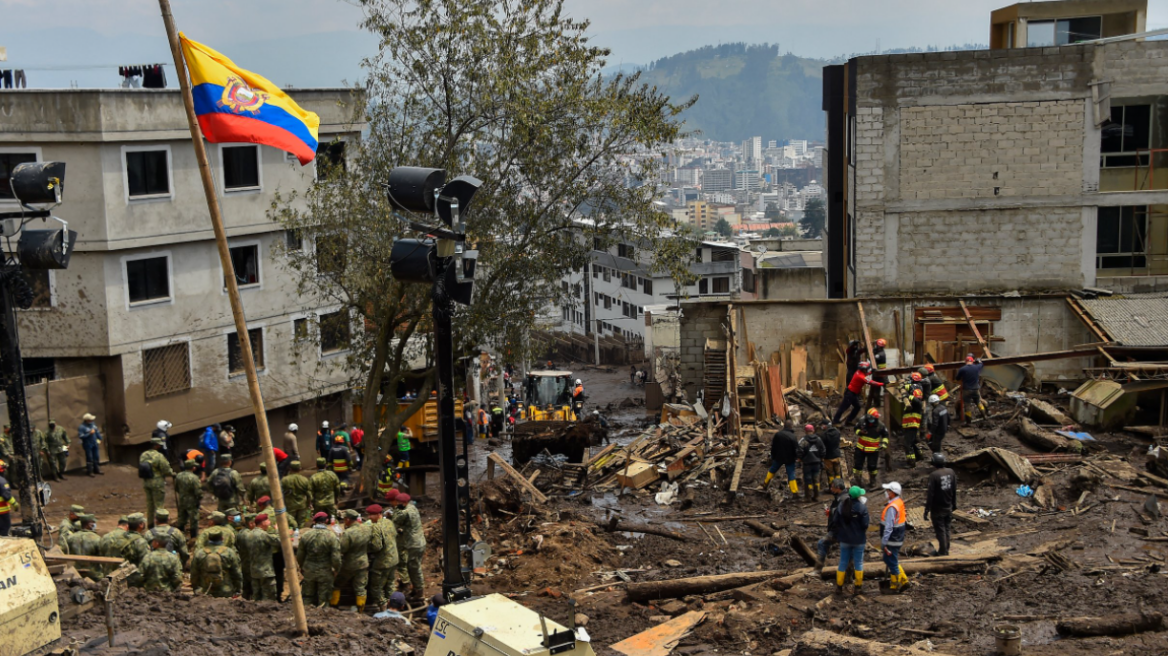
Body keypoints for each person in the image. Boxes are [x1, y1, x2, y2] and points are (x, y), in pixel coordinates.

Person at [297, 511, 341, 607]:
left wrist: (301, 567)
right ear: (327, 521)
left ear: (314, 521)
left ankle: (305, 617)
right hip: (325, 571)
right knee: (324, 599)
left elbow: (300, 555)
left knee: (307, 597)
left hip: (308, 570)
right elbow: (336, 557)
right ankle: (322, 619)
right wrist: (336, 569)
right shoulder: (332, 536)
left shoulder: (306, 536)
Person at [332, 508, 372, 611]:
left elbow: (342, 549)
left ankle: (333, 608)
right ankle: (360, 611)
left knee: (337, 584)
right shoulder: (367, 529)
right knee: (360, 588)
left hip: (349, 564)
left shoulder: (348, 533)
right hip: (363, 563)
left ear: (348, 520)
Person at [835, 485, 869, 595]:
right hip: (859, 540)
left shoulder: (841, 506)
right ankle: (858, 587)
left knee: (842, 562)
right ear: (859, 496)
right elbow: (865, 525)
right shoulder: (862, 508)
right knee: (858, 563)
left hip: (844, 540)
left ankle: (839, 587)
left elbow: (836, 522)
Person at [367, 504, 400, 612]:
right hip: (394, 558)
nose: (369, 517)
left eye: (371, 515)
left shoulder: (376, 527)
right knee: (390, 584)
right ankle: (394, 606)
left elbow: (377, 546)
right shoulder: (389, 522)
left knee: (376, 587)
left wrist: (368, 547)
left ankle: (383, 608)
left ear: (378, 514)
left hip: (382, 562)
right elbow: (395, 535)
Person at [392, 493, 425, 598]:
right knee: (413, 567)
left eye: (398, 502)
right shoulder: (412, 507)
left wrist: (394, 511)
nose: (396, 504)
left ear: (403, 502)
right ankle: (416, 589)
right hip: (419, 541)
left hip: (414, 544)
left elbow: (395, 520)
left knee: (414, 568)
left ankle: (419, 592)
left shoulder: (405, 512)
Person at [191, 531, 243, 597]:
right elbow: (237, 573)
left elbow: (194, 574)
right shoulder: (229, 552)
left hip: (205, 590)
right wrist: (238, 589)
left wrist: (196, 588)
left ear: (208, 539)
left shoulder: (200, 553)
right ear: (222, 538)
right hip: (225, 590)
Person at [924, 453, 957, 556]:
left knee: (940, 531)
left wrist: (926, 510)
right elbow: (954, 489)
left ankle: (943, 552)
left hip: (937, 509)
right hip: (948, 506)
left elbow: (930, 494)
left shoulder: (934, 475)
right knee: (947, 529)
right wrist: (954, 504)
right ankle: (946, 549)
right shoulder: (951, 472)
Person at [832, 362, 884, 426]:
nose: (867, 370)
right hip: (850, 394)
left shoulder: (859, 372)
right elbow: (871, 382)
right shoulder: (861, 376)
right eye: (867, 369)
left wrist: (871, 372)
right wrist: (882, 384)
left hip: (852, 394)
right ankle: (835, 421)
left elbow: (865, 375)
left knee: (857, 407)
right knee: (843, 408)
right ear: (864, 369)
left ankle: (849, 421)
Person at [880, 482, 909, 593]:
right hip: (898, 537)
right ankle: (903, 580)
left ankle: (895, 585)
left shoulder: (892, 507)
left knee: (890, 561)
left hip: (892, 539)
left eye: (888, 491)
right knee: (892, 560)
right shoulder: (898, 502)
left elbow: (888, 527)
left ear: (893, 493)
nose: (886, 492)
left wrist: (884, 541)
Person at [815, 477, 848, 572]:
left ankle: (818, 570)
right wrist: (831, 513)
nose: (830, 489)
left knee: (822, 543)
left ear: (838, 488)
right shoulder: (839, 497)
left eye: (832, 487)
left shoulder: (844, 499)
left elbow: (843, 514)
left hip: (840, 530)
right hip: (838, 529)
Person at [140, 436, 173, 528]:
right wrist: (172, 473)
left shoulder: (143, 455)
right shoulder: (159, 456)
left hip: (146, 482)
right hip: (157, 482)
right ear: (157, 446)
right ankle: (160, 525)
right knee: (159, 505)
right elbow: (166, 469)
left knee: (150, 505)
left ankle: (150, 525)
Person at [246, 513, 281, 601]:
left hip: (254, 570)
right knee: (269, 597)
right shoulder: (263, 535)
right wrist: (277, 530)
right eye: (268, 520)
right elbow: (278, 541)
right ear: (263, 523)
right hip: (266, 571)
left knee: (256, 596)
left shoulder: (249, 534)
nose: (269, 522)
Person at [853, 409, 889, 488]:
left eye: (873, 419)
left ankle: (872, 481)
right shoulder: (862, 421)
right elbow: (855, 429)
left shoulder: (880, 425)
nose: (871, 421)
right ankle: (858, 481)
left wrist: (884, 444)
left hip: (873, 450)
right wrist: (860, 432)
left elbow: (885, 435)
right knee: (857, 466)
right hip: (860, 448)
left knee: (872, 467)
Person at [763, 420, 800, 494]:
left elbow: (773, 446)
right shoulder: (793, 436)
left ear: (784, 426)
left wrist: (773, 456)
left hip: (779, 457)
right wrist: (797, 457)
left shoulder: (778, 435)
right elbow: (796, 449)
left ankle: (765, 483)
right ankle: (795, 491)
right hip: (790, 459)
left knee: (772, 470)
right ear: (791, 426)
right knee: (791, 474)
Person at [67, 515, 103, 580]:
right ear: (89, 524)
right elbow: (102, 556)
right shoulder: (97, 538)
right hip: (94, 574)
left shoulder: (71, 538)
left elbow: (66, 552)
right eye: (93, 523)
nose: (95, 525)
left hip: (75, 572)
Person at [174, 459, 204, 538]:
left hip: (182, 500)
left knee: (181, 518)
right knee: (193, 519)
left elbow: (176, 488)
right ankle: (193, 537)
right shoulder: (194, 478)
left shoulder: (179, 476)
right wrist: (199, 498)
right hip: (192, 502)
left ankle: (180, 536)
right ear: (193, 467)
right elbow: (198, 492)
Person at [797, 424, 826, 501]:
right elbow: (823, 450)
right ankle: (816, 496)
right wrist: (821, 459)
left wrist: (800, 459)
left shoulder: (803, 440)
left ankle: (808, 497)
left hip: (807, 464)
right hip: (817, 463)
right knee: (816, 479)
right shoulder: (819, 439)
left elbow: (799, 450)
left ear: (805, 431)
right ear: (813, 430)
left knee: (808, 480)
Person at [955, 354, 987, 422]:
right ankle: (984, 416)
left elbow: (957, 378)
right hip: (975, 389)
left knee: (967, 405)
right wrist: (979, 361)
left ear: (965, 361)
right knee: (978, 402)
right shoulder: (977, 367)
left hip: (966, 390)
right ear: (972, 361)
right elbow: (981, 364)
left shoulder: (962, 369)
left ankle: (968, 422)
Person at [281, 461, 313, 527]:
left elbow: (281, 494)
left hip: (290, 506)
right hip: (302, 505)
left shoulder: (284, 480)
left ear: (290, 469)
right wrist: (309, 504)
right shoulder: (304, 480)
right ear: (300, 469)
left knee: (291, 524)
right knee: (302, 523)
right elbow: (309, 495)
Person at [901, 387, 925, 469]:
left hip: (911, 426)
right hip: (910, 426)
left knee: (907, 444)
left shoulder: (918, 403)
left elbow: (914, 399)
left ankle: (911, 462)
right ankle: (919, 456)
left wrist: (906, 395)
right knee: (913, 442)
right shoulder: (914, 404)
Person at [818, 419, 843, 485]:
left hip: (828, 457)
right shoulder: (837, 432)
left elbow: (821, 446)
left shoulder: (823, 435)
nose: (821, 426)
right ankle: (839, 486)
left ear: (826, 426)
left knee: (830, 474)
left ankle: (832, 487)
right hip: (837, 455)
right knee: (837, 472)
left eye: (822, 425)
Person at [870, 338, 889, 409]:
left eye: (877, 345)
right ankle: (877, 404)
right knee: (876, 389)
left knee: (886, 389)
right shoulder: (878, 351)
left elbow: (872, 358)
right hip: (878, 373)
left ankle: (887, 404)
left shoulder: (881, 354)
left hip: (882, 373)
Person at [0, 459, 16, 537]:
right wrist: (15, 504)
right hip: (2, 511)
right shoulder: (2, 481)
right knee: (4, 529)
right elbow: (6, 496)